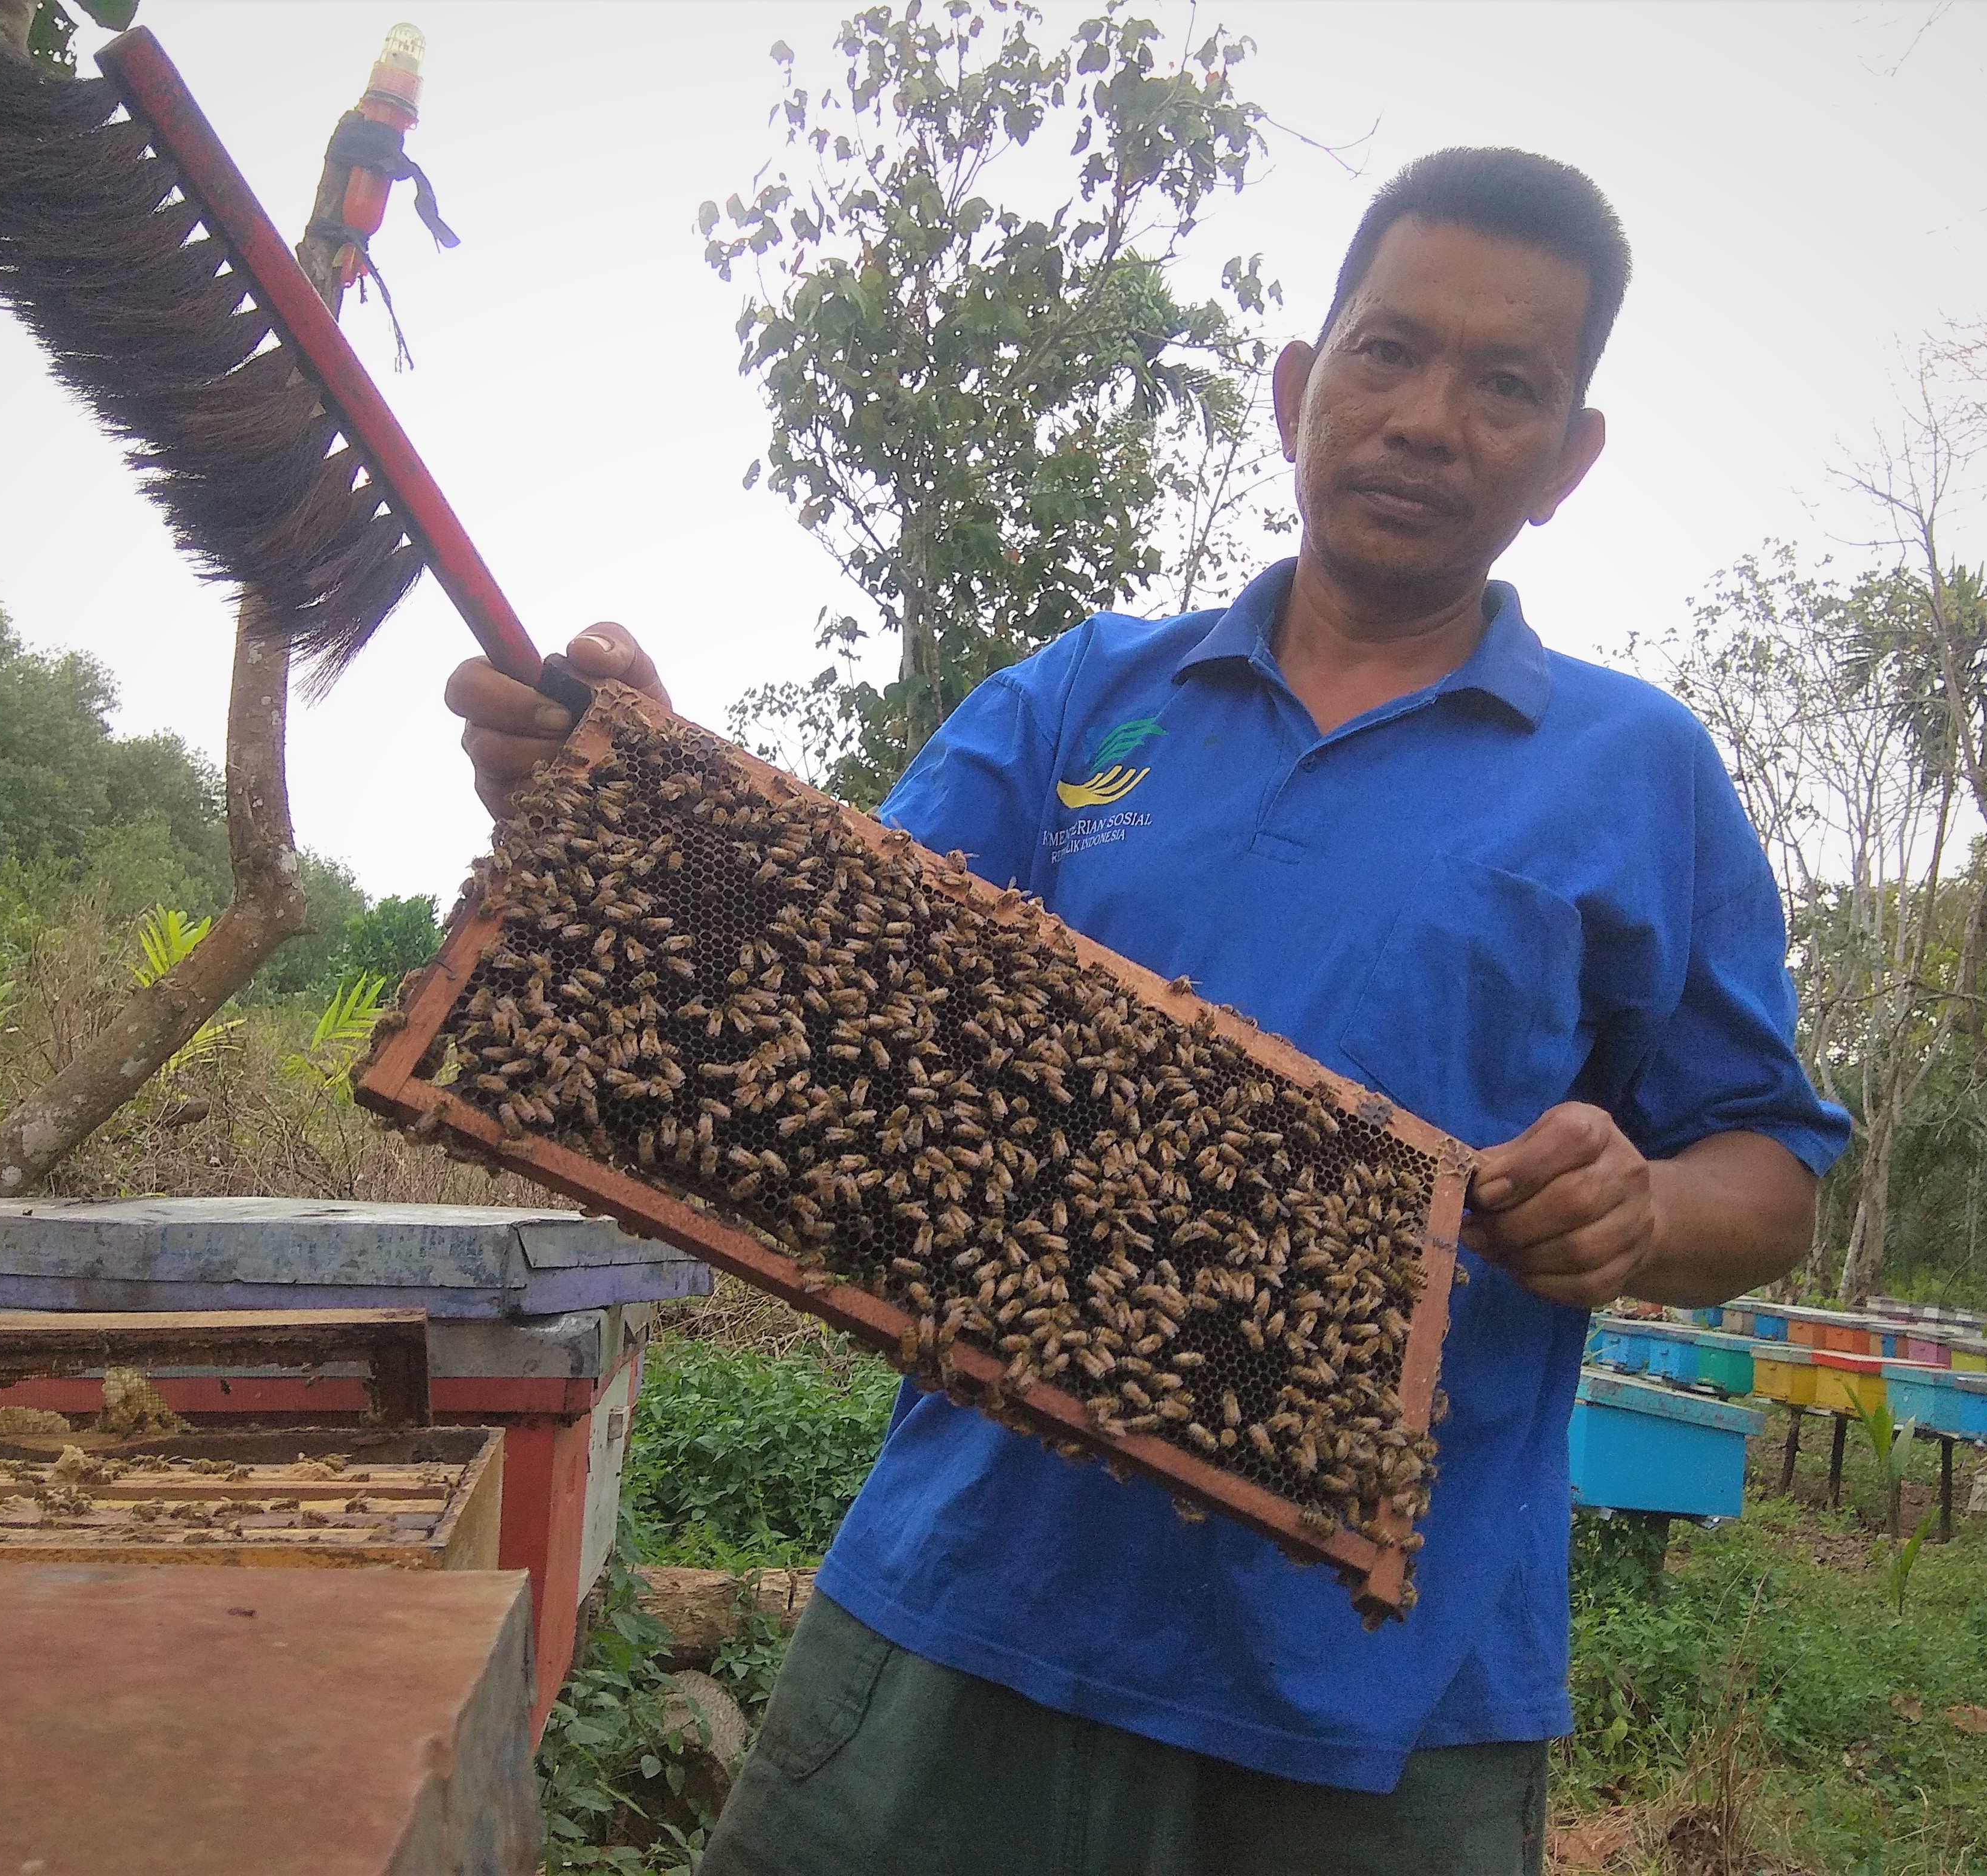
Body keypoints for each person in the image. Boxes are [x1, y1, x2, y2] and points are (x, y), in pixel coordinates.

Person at [448, 147, 1847, 1876]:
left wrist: (1639, 1207)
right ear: (1296, 389)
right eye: (1388, 353)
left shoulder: (1643, 773)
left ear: (1567, 459)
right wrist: (635, 799)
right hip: (970, 1604)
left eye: (1508, 387)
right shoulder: (1077, 700)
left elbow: (1771, 1169)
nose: (1427, 417)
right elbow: (811, 987)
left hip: (1387, 1704)